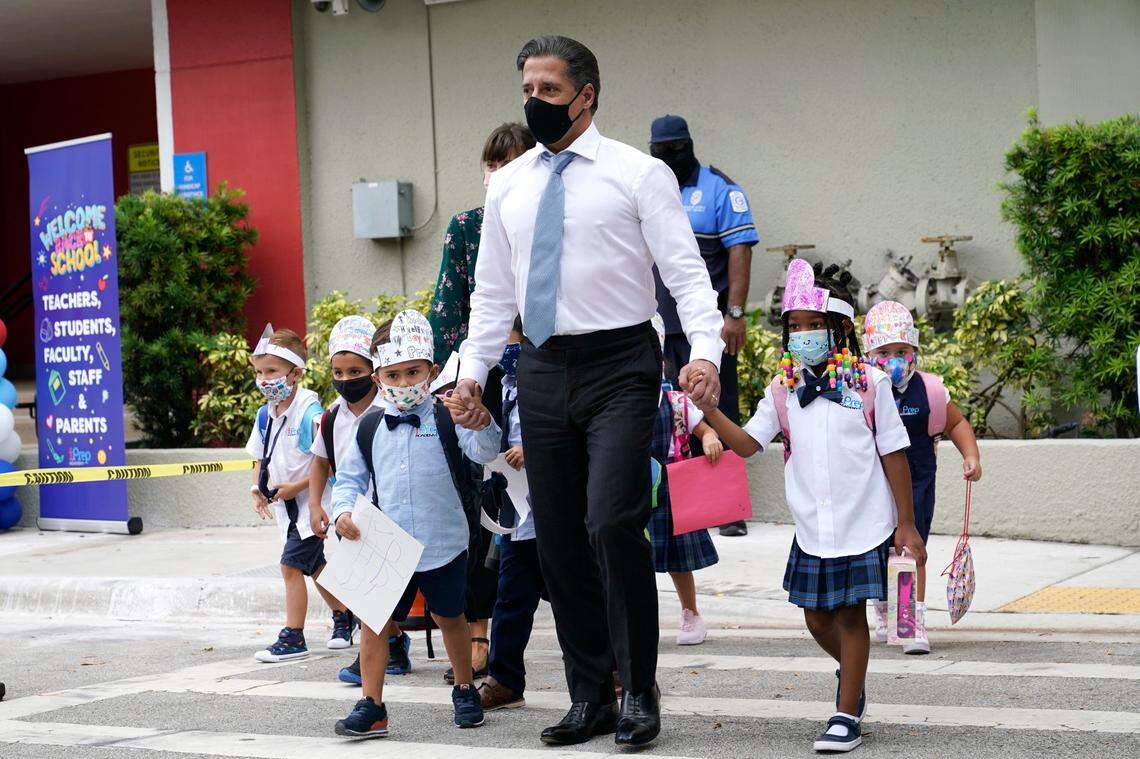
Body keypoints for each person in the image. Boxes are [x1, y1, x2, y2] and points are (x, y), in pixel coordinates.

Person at [452, 36, 724, 748]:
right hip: (539, 369)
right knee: (560, 541)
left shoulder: (638, 175)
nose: (533, 102)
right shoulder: (507, 185)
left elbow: (689, 280)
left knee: (610, 521)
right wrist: (470, 376)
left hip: (620, 365)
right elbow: (490, 297)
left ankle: (638, 688)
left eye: (547, 90)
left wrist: (706, 355)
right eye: (527, 90)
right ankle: (588, 695)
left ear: (586, 95)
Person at [692, 260, 926, 753]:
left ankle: (845, 715)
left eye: (813, 325)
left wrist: (907, 524)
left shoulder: (869, 383)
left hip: (863, 520)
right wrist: (709, 411)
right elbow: (749, 444)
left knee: (849, 614)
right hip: (812, 525)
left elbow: (894, 453)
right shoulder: (783, 390)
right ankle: (852, 676)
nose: (802, 335)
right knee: (816, 618)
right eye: (793, 327)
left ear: (839, 328)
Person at [330, 311, 502, 737]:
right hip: (388, 542)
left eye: (414, 372)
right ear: (378, 377)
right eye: (394, 374)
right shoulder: (370, 425)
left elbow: (482, 453)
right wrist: (342, 513)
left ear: (433, 370)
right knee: (375, 621)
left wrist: (480, 423)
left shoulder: (447, 415)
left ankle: (464, 687)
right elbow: (349, 478)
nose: (405, 383)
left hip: (442, 539)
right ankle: (372, 705)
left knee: (450, 617)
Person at [428, 122, 536, 678]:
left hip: (542, 369)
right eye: (490, 163)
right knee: (480, 500)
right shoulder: (467, 226)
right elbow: (447, 310)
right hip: (479, 375)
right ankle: (478, 630)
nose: (496, 173)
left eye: (509, 162)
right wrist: (443, 383)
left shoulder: (550, 222)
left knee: (538, 511)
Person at [649, 114, 759, 538]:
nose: (670, 155)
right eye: (662, 148)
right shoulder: (650, 185)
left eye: (677, 146)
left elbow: (740, 251)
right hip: (657, 326)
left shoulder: (718, 190)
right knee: (669, 412)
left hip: (706, 327)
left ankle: (726, 509)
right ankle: (681, 505)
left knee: (716, 404)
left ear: (690, 143)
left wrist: (734, 314)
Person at [862, 301, 982, 655]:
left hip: (917, 485)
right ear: (870, 353)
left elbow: (956, 423)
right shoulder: (863, 389)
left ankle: (909, 622)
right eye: (884, 352)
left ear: (914, 350)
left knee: (911, 551)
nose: (895, 358)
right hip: (872, 485)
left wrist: (971, 456)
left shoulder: (929, 391)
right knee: (879, 553)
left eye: (902, 350)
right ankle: (886, 611)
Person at [305, 315, 414, 683]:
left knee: (377, 591)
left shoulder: (390, 408)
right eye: (338, 371)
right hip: (347, 514)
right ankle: (393, 647)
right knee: (360, 588)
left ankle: (384, 653)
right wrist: (317, 504)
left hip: (389, 510)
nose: (345, 379)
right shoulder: (332, 417)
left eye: (355, 370)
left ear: (373, 370)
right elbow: (320, 461)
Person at [245, 325, 349, 662]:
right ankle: (345, 614)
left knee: (290, 567)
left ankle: (293, 637)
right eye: (259, 372)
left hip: (310, 507)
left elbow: (326, 464)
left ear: (295, 373)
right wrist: (257, 488)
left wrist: (297, 488)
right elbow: (260, 457)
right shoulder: (266, 415)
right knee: (315, 567)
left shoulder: (310, 415)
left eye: (272, 371)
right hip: (285, 509)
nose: (264, 379)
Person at [477, 316, 547, 712]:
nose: (506, 349)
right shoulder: (498, 386)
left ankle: (613, 670)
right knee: (510, 599)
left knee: (582, 594)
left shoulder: (552, 380)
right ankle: (504, 679)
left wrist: (534, 451)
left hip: (557, 509)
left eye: (512, 340)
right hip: (517, 514)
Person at [648, 315, 722, 646]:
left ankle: (690, 611)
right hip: (630, 483)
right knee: (630, 556)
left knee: (678, 557)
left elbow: (702, 427)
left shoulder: (675, 401)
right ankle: (634, 614)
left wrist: (708, 438)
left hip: (670, 487)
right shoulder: (612, 401)